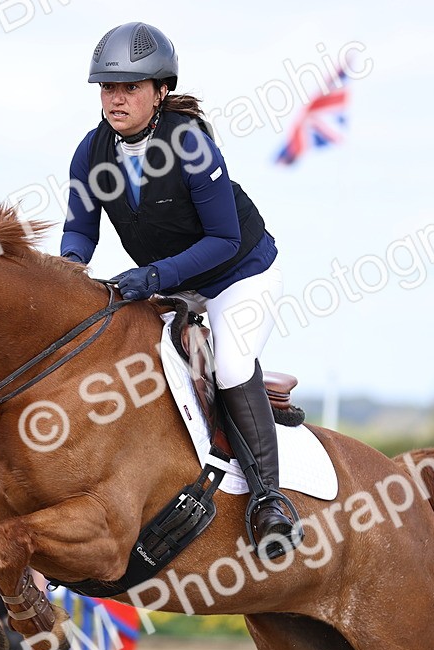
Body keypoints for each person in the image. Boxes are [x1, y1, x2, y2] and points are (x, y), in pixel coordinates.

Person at [60, 21, 297, 552]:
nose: (115, 99)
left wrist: (152, 277)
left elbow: (222, 238)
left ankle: (267, 501)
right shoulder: (91, 152)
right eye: (107, 88)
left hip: (238, 276)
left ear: (160, 91)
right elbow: (80, 228)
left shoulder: (189, 144)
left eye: (130, 88)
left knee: (232, 364)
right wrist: (70, 272)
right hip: (172, 286)